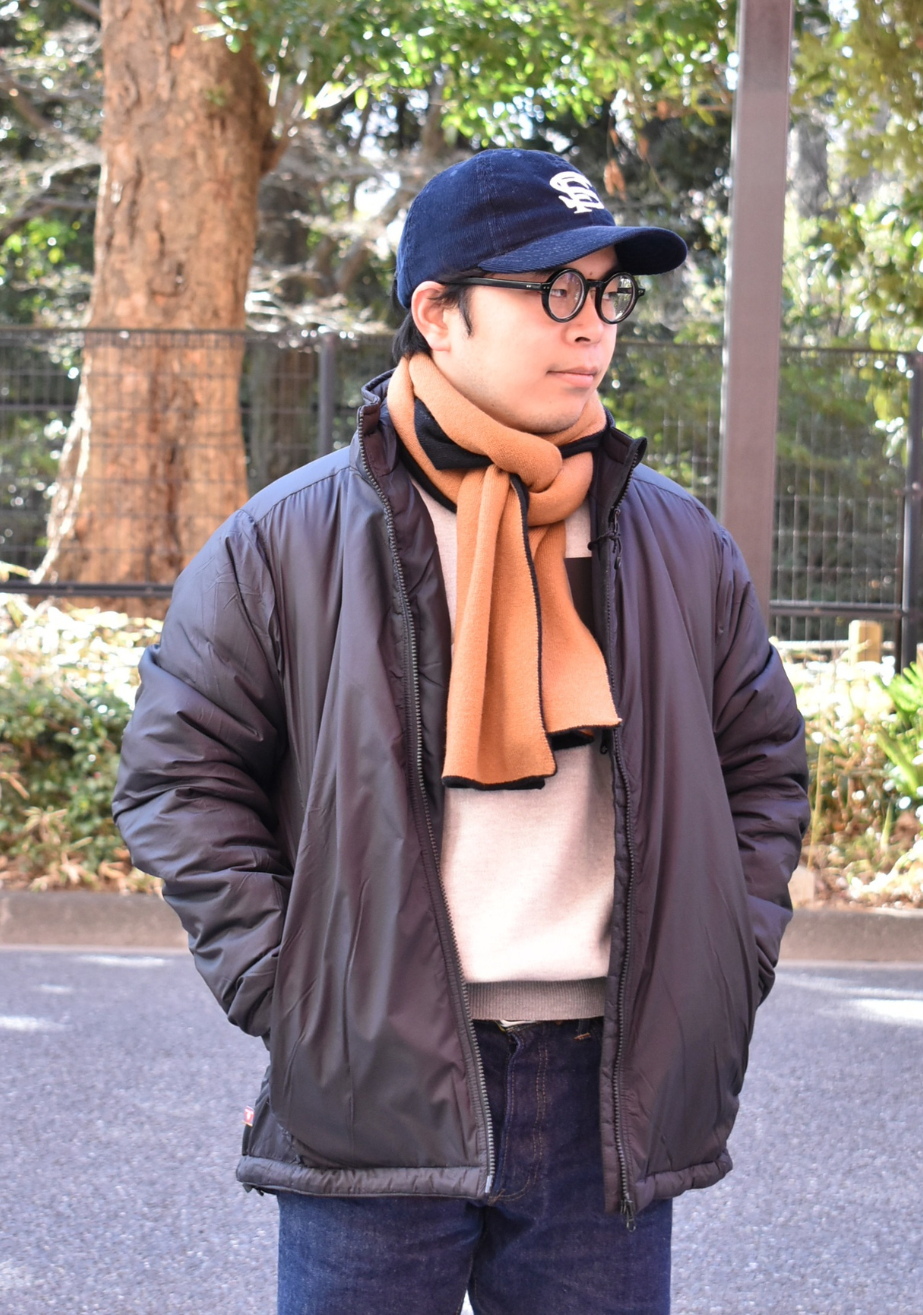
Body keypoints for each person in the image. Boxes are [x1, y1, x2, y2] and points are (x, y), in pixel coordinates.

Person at [113, 148, 809, 1315]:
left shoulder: (678, 543)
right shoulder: (288, 539)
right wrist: (296, 994)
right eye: (553, 289)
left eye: (609, 294)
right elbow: (179, 775)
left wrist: (724, 965)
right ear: (437, 313)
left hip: (608, 1090)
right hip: (372, 1079)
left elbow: (764, 767)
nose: (589, 326)